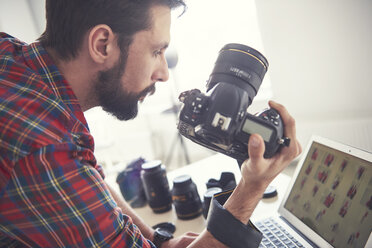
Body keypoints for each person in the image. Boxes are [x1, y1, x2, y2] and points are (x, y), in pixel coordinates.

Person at [0, 0, 302, 247]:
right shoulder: (46, 150)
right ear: (103, 44)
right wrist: (252, 187)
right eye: (156, 51)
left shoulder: (11, 56)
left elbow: (88, 177)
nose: (163, 73)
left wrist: (158, 241)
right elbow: (60, 163)